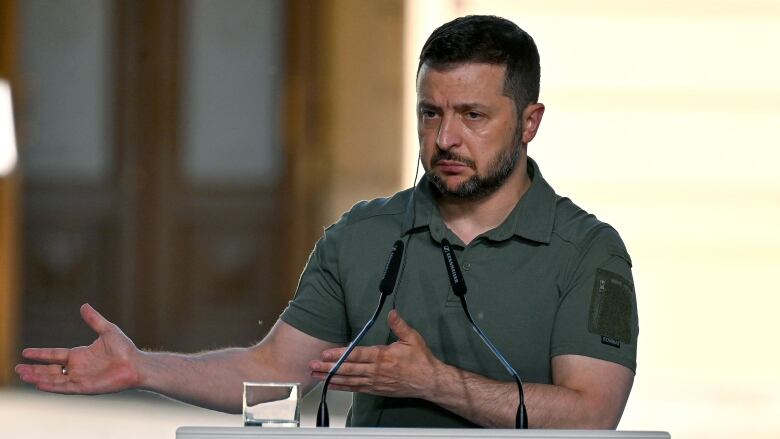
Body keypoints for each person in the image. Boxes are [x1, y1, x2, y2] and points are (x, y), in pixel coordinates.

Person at [15, 15, 638, 429]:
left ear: (529, 122)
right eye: (429, 114)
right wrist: (145, 368)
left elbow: (593, 415)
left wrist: (435, 383)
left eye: (473, 115)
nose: (445, 137)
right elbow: (274, 378)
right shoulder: (361, 236)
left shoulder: (587, 251)